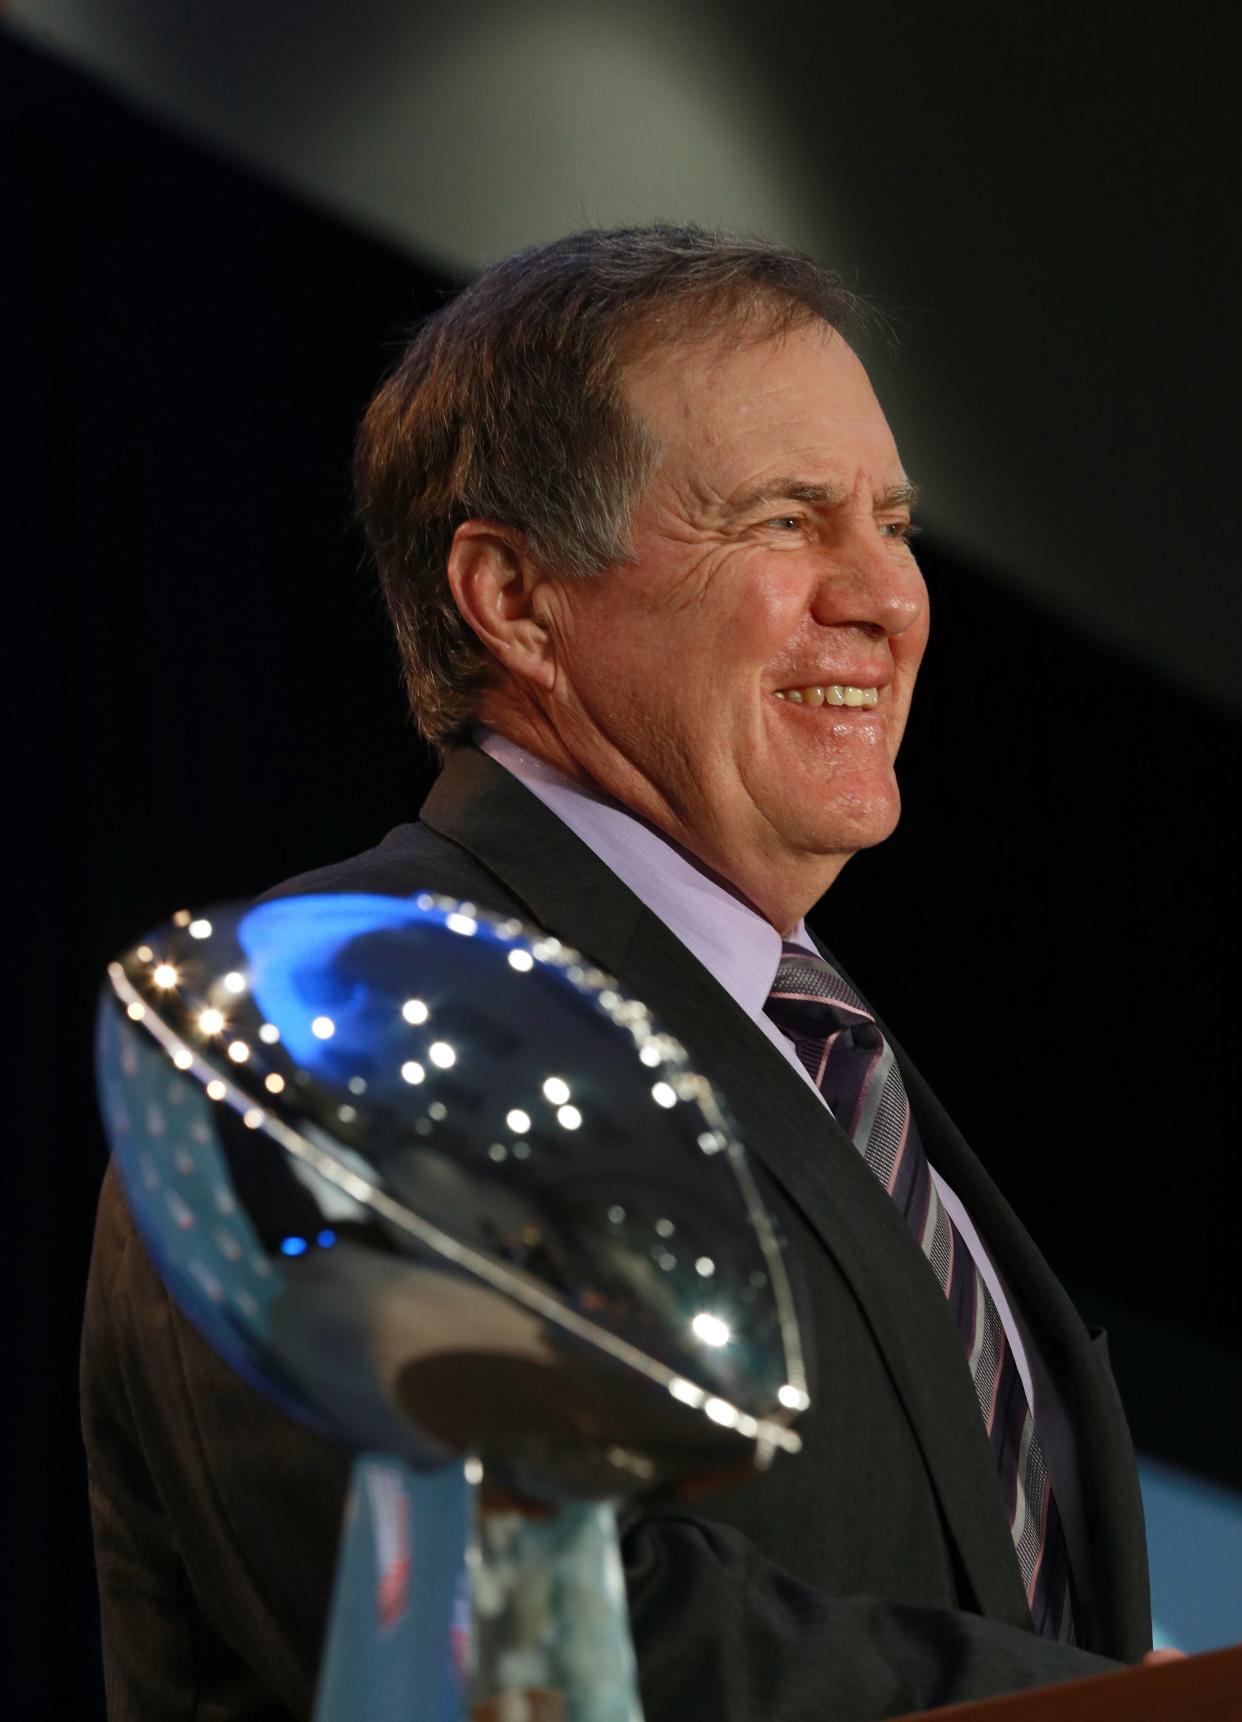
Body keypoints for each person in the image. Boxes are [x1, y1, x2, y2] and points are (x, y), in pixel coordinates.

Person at [83, 225, 1157, 1720]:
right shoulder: (343, 1024)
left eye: (893, 524)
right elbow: (502, 1647)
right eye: (786, 520)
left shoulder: (830, 1059)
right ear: (515, 598)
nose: (887, 599)